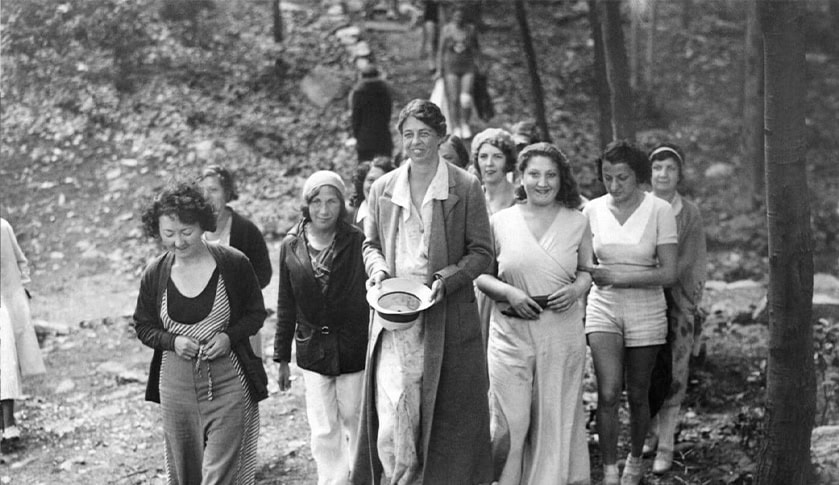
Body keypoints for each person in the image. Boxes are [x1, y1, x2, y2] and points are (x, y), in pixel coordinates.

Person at [351, 99, 494, 485]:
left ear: (441, 135)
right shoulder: (383, 187)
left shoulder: (464, 186)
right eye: (409, 134)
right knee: (392, 405)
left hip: (444, 318)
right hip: (392, 316)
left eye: (425, 134)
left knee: (441, 416)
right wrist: (378, 271)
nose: (416, 142)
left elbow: (483, 252)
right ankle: (395, 477)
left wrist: (445, 280)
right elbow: (371, 245)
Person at [133, 183, 268, 484]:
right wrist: (172, 341)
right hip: (176, 388)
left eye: (186, 232)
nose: (178, 242)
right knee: (186, 475)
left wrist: (229, 338)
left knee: (221, 476)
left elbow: (256, 313)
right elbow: (143, 326)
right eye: (169, 234)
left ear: (203, 225)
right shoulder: (155, 273)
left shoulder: (233, 263)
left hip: (228, 384)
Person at [476, 143, 592, 485]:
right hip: (511, 330)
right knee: (511, 423)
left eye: (551, 175)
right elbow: (480, 274)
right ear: (520, 177)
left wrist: (574, 290)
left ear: (562, 178)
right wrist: (509, 291)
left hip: (561, 329)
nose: (543, 183)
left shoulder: (577, 221)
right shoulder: (499, 221)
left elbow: (587, 271)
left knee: (553, 419)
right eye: (534, 174)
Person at [582, 140, 678, 485]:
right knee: (607, 392)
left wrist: (620, 278)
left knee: (638, 393)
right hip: (603, 307)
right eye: (607, 177)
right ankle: (608, 471)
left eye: (622, 177)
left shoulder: (659, 210)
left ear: (638, 177)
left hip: (647, 310)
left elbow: (669, 273)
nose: (614, 185)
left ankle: (634, 461)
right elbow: (583, 263)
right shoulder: (591, 210)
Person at [274, 171, 369, 485]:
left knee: (356, 417)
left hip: (352, 343)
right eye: (317, 202)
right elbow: (286, 303)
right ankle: (332, 481)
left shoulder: (355, 239)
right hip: (312, 345)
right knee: (324, 426)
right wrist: (281, 359)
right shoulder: (291, 244)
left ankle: (360, 478)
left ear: (342, 205)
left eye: (332, 202)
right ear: (307, 204)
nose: (324, 210)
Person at [644, 143, 707, 474]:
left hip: (675, 300)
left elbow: (686, 262)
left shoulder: (689, 214)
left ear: (679, 174)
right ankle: (650, 433)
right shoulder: (641, 206)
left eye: (669, 168)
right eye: (657, 168)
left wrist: (663, 279)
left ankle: (666, 443)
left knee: (674, 371)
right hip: (641, 298)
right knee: (644, 368)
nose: (663, 174)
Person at [198, 164, 272, 357]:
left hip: (242, 320)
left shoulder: (245, 230)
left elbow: (264, 273)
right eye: (203, 191)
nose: (207, 196)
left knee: (249, 376)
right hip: (204, 321)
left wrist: (237, 291)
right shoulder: (193, 232)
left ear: (227, 193)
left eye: (213, 190)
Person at [470, 128, 518, 348]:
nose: (489, 163)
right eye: (483, 156)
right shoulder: (471, 198)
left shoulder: (521, 199)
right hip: (477, 292)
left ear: (507, 161)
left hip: (513, 288)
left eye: (497, 156)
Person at [0, 217, 46, 443]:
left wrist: (23, 288)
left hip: (5, 307)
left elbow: (20, 261)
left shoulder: (3, 228)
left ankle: (9, 424)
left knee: (6, 362)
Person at [437, 5, 481, 138]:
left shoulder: (470, 29)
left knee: (465, 98)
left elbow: (476, 49)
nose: (458, 18)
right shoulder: (447, 30)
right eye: (456, 16)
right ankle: (455, 125)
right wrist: (439, 69)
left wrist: (480, 65)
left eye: (461, 16)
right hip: (451, 67)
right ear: (452, 16)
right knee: (454, 98)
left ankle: (465, 123)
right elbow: (441, 51)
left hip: (467, 67)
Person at [350, 64, 394, 163]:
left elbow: (356, 118)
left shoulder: (359, 92)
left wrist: (357, 136)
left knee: (365, 171)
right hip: (383, 137)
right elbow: (388, 113)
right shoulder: (384, 90)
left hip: (364, 139)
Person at [349, 157, 396, 230]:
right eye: (371, 180)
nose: (375, 186)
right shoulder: (348, 217)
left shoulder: (398, 216)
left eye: (381, 181)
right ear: (362, 183)